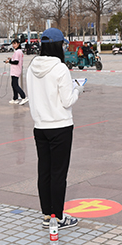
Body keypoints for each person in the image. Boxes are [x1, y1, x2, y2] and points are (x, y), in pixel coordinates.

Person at [26, 27, 82, 230]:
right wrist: (78, 89)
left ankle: (46, 214)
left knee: (44, 172)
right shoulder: (60, 69)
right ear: (58, 45)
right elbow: (67, 101)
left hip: (40, 127)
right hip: (60, 126)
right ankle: (58, 217)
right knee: (59, 173)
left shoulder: (31, 67)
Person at [6, 39, 28, 105]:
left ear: (18, 44)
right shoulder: (19, 52)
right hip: (16, 70)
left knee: (15, 85)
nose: (13, 45)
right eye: (13, 44)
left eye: (15, 44)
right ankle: (15, 98)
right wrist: (11, 59)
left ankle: (24, 97)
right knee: (13, 84)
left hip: (15, 70)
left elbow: (16, 62)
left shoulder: (17, 52)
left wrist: (9, 61)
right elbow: (16, 60)